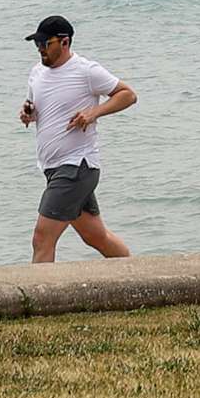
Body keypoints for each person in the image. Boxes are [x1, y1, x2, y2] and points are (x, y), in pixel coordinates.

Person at [18, 14, 139, 263]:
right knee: (96, 236)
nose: (40, 49)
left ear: (64, 42)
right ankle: (136, 271)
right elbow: (38, 109)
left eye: (45, 43)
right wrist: (28, 113)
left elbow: (127, 95)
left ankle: (39, 297)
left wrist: (94, 112)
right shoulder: (37, 72)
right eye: (37, 44)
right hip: (53, 168)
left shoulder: (86, 71)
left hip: (76, 167)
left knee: (42, 238)